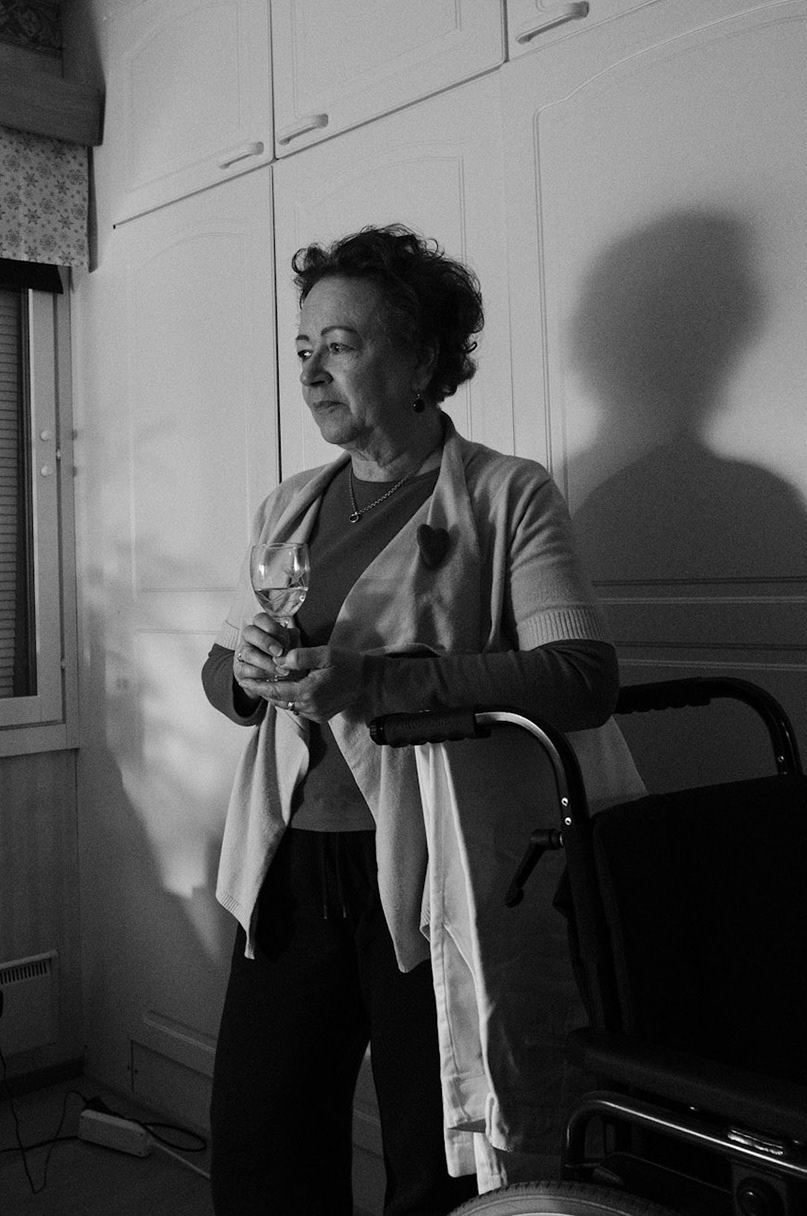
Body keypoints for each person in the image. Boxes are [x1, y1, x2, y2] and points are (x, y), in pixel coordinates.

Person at [204, 225, 640, 1215]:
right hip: (291, 864)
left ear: (421, 361)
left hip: (438, 868)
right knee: (263, 1145)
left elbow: (581, 677)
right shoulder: (289, 507)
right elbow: (219, 668)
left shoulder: (507, 494)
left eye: (341, 344)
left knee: (435, 1156)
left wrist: (379, 683)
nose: (311, 371)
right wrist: (248, 674)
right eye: (304, 347)